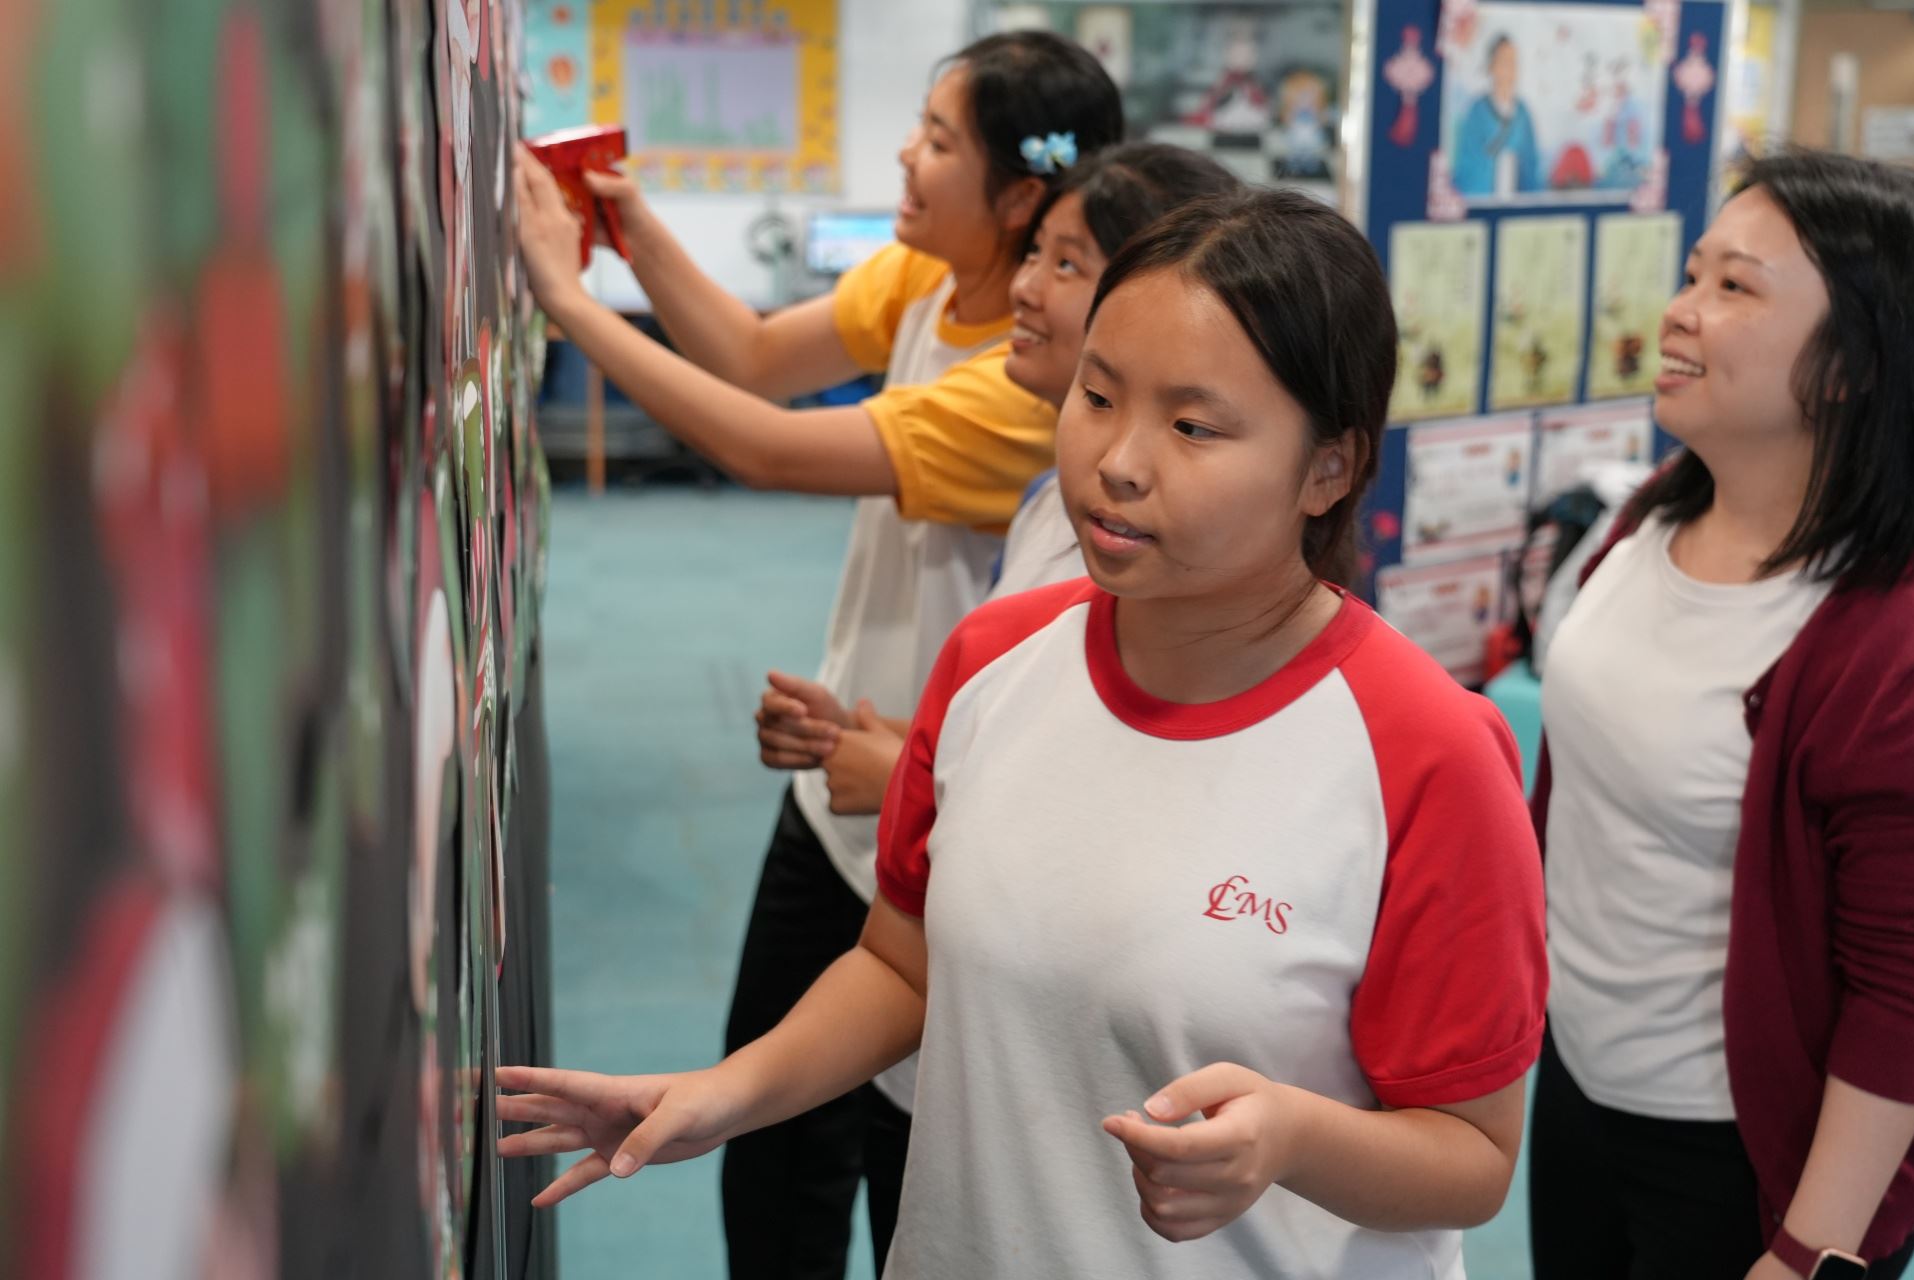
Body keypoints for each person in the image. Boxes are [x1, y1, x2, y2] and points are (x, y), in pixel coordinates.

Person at [496, 189, 1549, 1279]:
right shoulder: (991, 658)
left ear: (1328, 467)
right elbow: (902, 967)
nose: (1119, 459)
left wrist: (1290, 1138)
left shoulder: (1427, 750)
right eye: (1098, 395)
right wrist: (723, 1094)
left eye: (1192, 427)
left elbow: (1472, 1155)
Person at [515, 31, 1123, 1278]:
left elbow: (766, 445)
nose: (905, 155)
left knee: (902, 1169)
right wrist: (624, 229)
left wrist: (571, 304)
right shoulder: (926, 277)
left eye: (938, 139)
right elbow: (752, 356)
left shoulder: (1030, 394)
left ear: (1020, 193)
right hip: (843, 788)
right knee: (770, 1160)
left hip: (937, 826)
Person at [1526, 151, 1914, 1279]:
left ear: (1852, 364)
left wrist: (1804, 1252)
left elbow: (1903, 993)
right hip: (1577, 1083)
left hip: (1740, 1151)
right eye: (1693, 272)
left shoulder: (1885, 640)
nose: (1680, 309)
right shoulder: (1655, 514)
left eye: (1735, 286)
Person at [754, 142, 1242, 818]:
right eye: (1033, 254)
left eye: (1066, 264)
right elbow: (1013, 723)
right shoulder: (1047, 503)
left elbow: (1127, 793)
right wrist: (870, 738)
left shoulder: (1179, 558)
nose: (1024, 287)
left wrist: (907, 780)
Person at [1451, 34, 1540, 197]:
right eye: (1505, 61)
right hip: (1484, 198)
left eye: (1514, 62)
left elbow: (1531, 163)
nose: (1510, 69)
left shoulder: (1523, 113)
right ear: (1492, 66)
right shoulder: (1477, 112)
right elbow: (1468, 163)